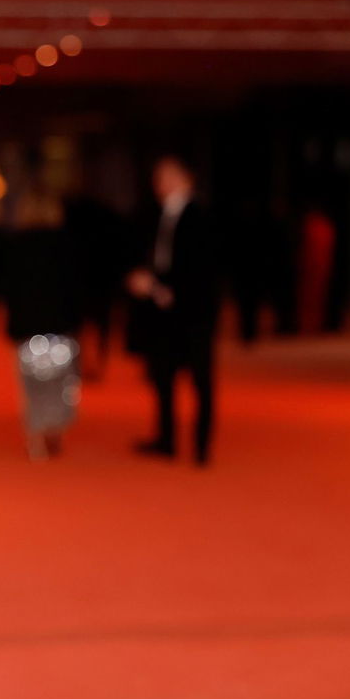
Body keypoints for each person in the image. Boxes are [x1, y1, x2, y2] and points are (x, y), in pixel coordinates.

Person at [127, 154, 220, 466]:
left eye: (167, 176)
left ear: (185, 177)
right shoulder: (153, 214)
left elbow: (205, 267)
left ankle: (201, 446)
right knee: (162, 376)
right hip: (161, 311)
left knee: (201, 380)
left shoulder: (202, 215)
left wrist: (169, 289)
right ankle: (166, 438)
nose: (160, 184)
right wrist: (145, 280)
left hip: (194, 311)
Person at [2, 186, 82, 461]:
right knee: (60, 382)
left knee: (31, 384)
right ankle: (54, 430)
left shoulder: (15, 245)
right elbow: (77, 287)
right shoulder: (68, 243)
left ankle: (35, 435)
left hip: (28, 326)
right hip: (60, 324)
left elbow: (9, 289)